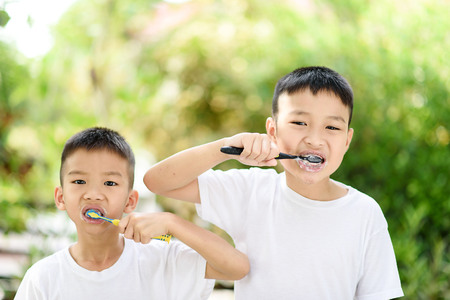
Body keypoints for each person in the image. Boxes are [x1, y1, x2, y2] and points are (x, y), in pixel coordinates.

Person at [144, 66, 404, 299]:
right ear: (273, 131)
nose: (315, 139)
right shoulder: (250, 191)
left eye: (332, 128)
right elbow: (158, 182)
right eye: (299, 122)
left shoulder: (364, 213)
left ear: (347, 141)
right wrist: (224, 147)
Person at [15, 127, 249, 300]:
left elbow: (237, 267)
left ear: (130, 201)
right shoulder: (42, 278)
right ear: (60, 198)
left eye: (109, 183)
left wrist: (172, 222)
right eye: (79, 181)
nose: (93, 194)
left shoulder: (163, 261)